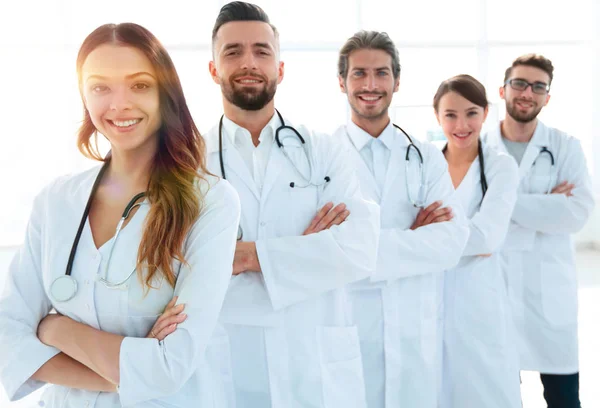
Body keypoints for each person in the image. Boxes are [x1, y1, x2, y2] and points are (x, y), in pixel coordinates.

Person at [0, 23, 240, 407]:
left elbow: (168, 368)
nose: (119, 104)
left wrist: (54, 327)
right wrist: (123, 374)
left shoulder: (210, 202)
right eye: (100, 87)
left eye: (139, 85)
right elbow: (7, 336)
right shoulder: (55, 201)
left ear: (166, 94)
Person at [203, 2, 381, 407]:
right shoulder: (187, 160)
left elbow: (360, 248)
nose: (249, 62)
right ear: (213, 69)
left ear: (280, 69)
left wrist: (247, 257)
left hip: (314, 365)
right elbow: (180, 266)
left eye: (262, 51)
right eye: (233, 52)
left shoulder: (323, 150)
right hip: (227, 364)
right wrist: (307, 254)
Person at [332, 30, 469, 408]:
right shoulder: (322, 158)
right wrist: (413, 239)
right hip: (350, 328)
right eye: (359, 73)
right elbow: (322, 250)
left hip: (413, 331)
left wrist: (358, 245)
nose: (371, 85)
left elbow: (453, 241)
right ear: (341, 81)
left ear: (397, 81)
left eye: (381, 73)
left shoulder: (425, 155)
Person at [484, 53, 595, 408]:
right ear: (502, 90)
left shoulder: (566, 146)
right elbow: (467, 216)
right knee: (498, 396)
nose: (527, 92)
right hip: (491, 289)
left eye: (538, 86)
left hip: (549, 296)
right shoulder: (478, 147)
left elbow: (576, 213)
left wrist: (500, 203)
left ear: (547, 97)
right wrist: (545, 205)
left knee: (564, 400)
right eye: (519, 83)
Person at [433, 74, 521, 407]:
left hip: (479, 301)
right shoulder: (426, 164)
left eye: (471, 113)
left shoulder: (500, 166)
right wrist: (461, 235)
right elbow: (405, 230)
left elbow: (488, 237)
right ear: (437, 116)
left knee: (487, 391)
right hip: (430, 299)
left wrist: (430, 234)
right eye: (450, 114)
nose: (461, 124)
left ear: (485, 113)